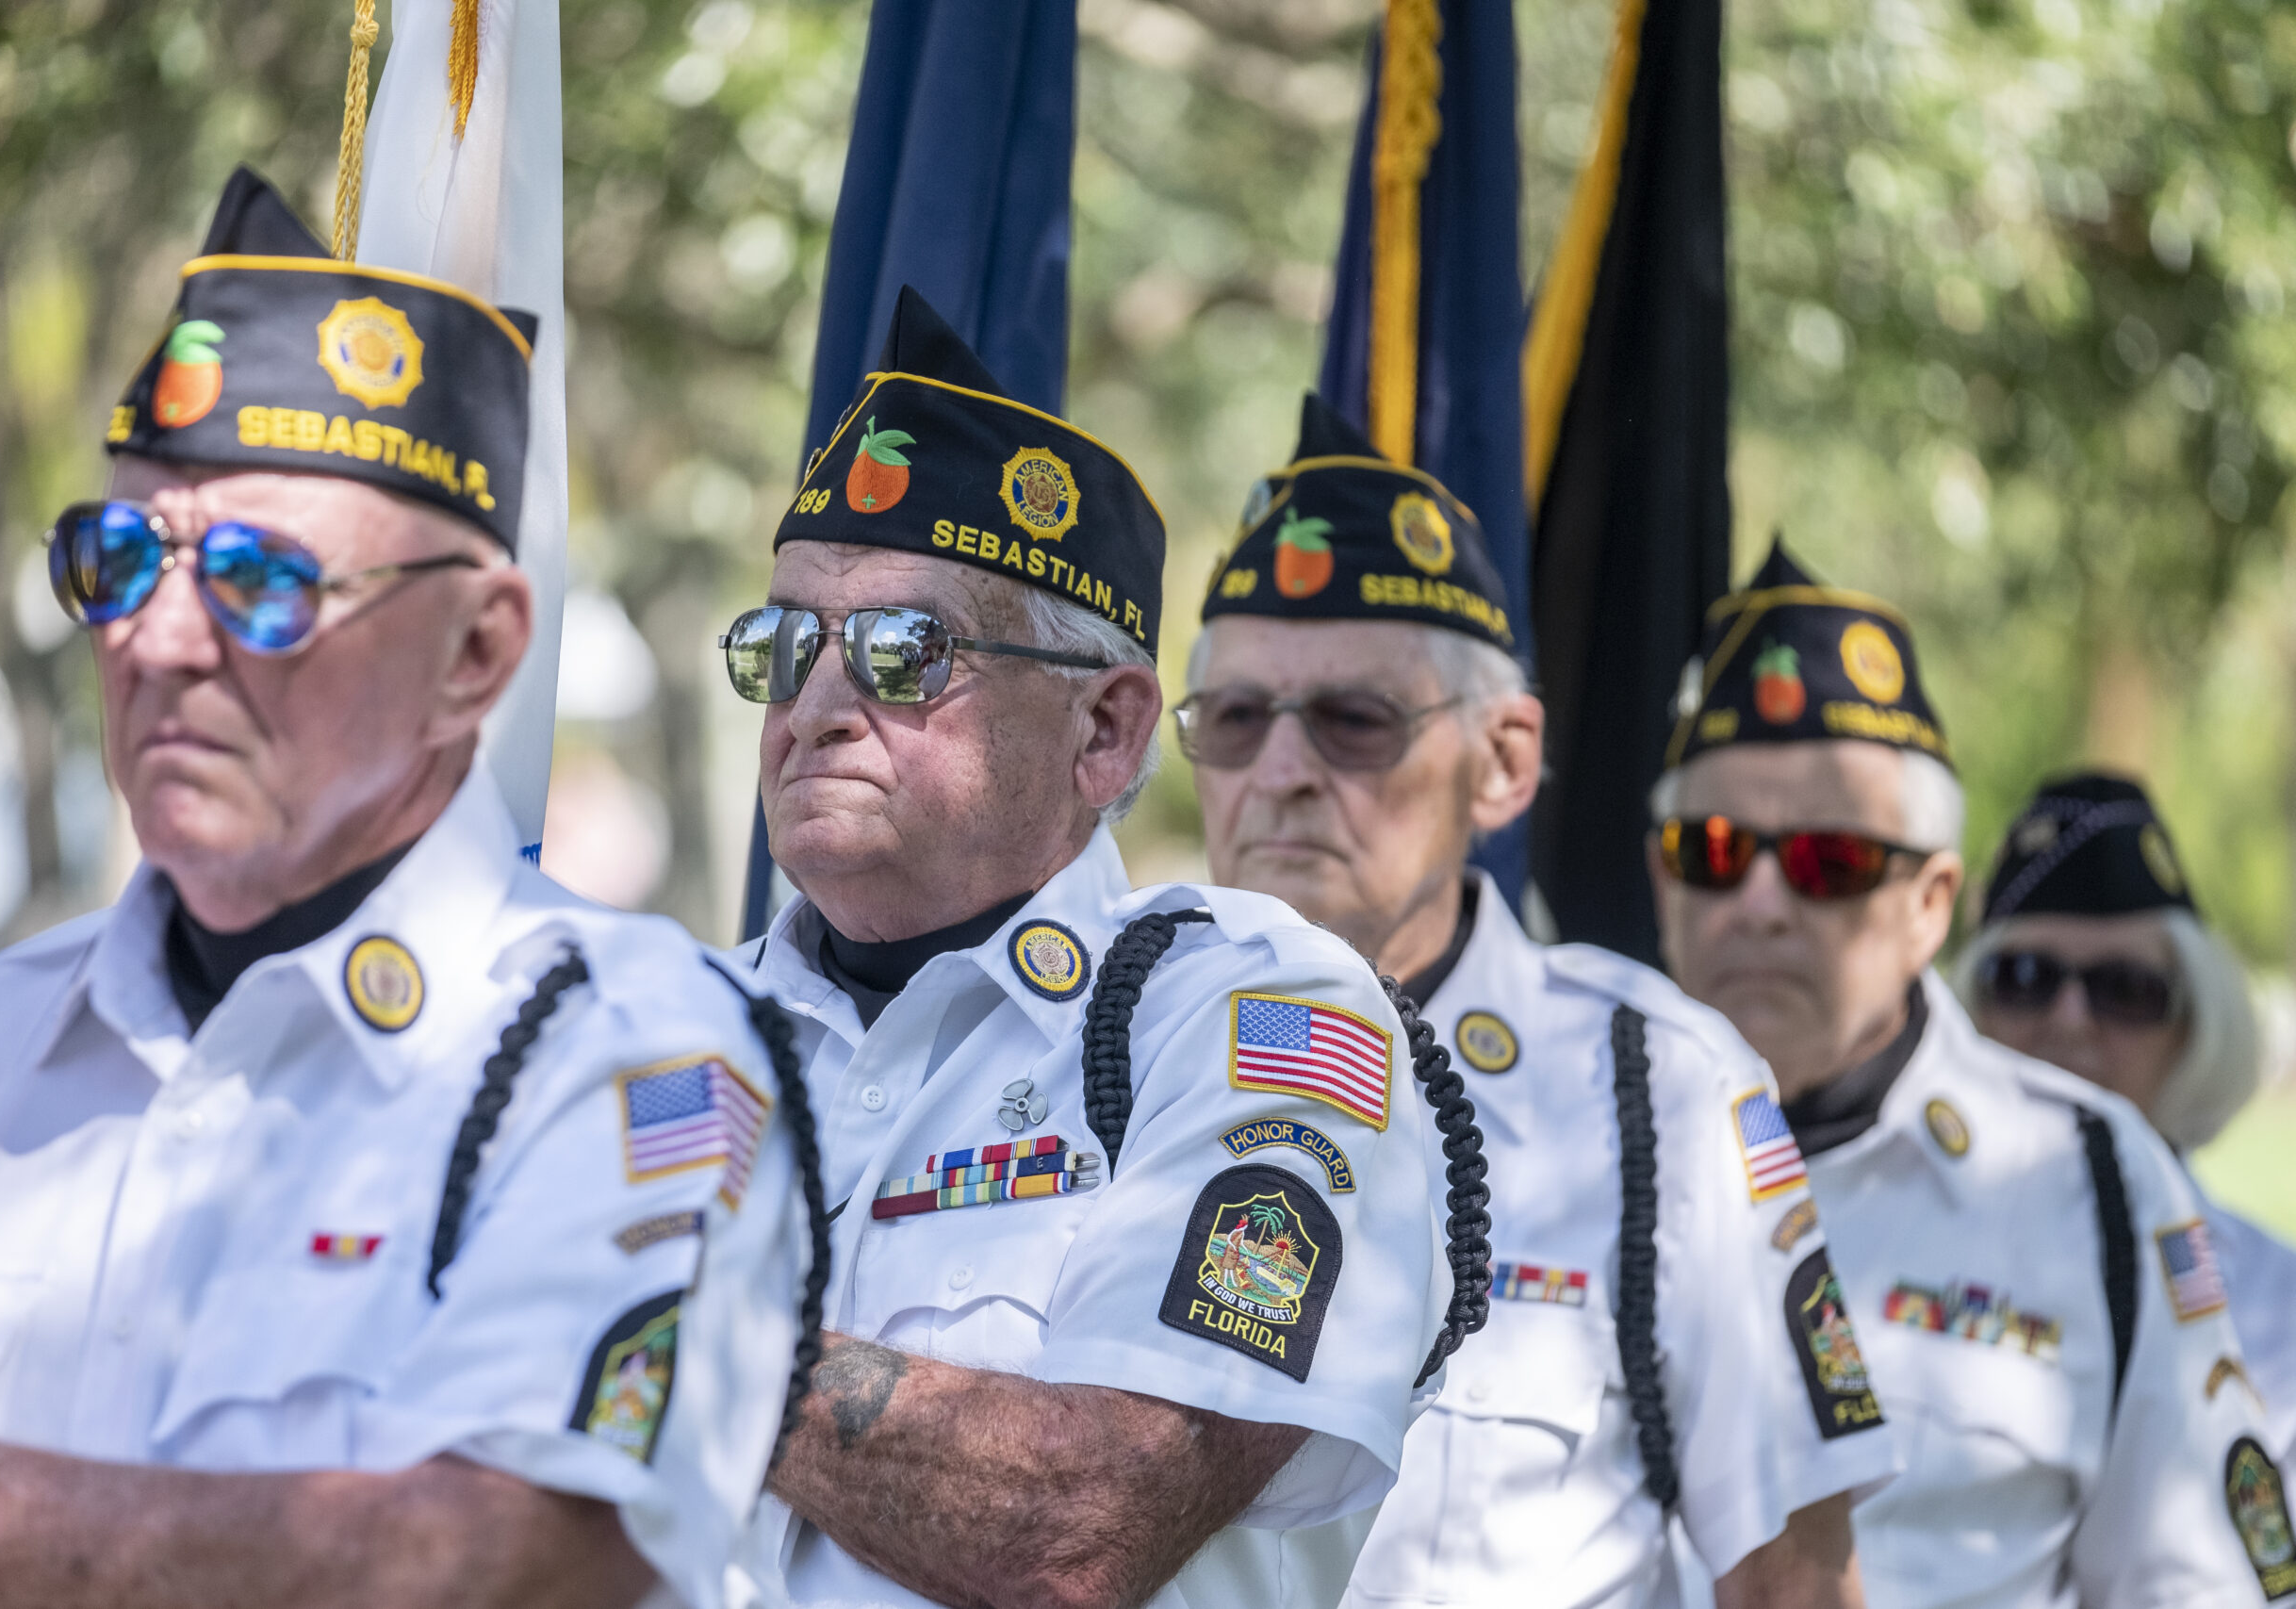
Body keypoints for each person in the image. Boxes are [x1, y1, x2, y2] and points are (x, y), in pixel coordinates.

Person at [0, 168, 822, 1609]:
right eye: (120, 558)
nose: (161, 642)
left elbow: (507, 1554)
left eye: (263, 579)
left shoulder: (633, 1054)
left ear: (476, 657)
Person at [728, 290, 1483, 1609]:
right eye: (787, 646)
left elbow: (1083, 1523)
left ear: (1108, 731)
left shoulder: (1245, 1012)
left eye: (906, 651)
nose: (823, 706)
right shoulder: (660, 1027)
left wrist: (653, 1331)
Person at [1183, 395, 1894, 1609]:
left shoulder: (1653, 1085)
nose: (1283, 773)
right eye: (1236, 721)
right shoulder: (1089, 1040)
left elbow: (1792, 1579)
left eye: (1354, 722)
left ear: (1504, 761)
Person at [1648, 542, 2293, 1606]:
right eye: (1712, 849)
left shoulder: (2090, 1185)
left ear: (1932, 902)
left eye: (1826, 862)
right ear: (1659, 876)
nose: (1759, 902)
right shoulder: (1528, 1139)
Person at [1960, 773, 2296, 1463]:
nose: (2070, 1022)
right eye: (2026, 977)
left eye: (2127, 989)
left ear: (2194, 1024)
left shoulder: (2276, 1302)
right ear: (1970, 1010)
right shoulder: (1880, 1252)